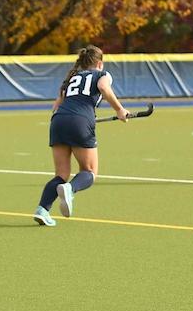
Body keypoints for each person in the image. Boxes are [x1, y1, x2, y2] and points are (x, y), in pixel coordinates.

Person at [33, 45, 129, 226]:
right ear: (99, 63)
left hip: (58, 121)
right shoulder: (102, 74)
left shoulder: (70, 78)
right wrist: (119, 110)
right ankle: (70, 189)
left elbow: (56, 106)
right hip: (80, 122)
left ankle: (42, 210)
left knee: (61, 174)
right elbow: (103, 87)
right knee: (89, 171)